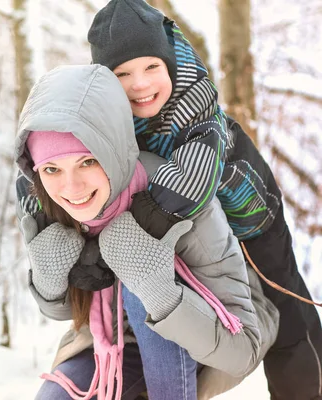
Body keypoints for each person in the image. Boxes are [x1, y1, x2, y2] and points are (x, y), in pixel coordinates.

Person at [83, 2, 322, 398]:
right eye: (122, 73)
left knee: (287, 316)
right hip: (195, 235)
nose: (140, 84)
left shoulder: (194, 109)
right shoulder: (109, 116)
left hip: (249, 218)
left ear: (169, 66)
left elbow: (190, 183)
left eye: (151, 68)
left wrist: (125, 234)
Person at [14, 64, 279, 400]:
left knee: (138, 278)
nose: (72, 187)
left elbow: (242, 352)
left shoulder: (178, 194)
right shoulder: (47, 202)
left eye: (87, 161)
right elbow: (67, 311)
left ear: (112, 150)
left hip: (206, 340)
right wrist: (49, 282)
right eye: (52, 168)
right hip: (112, 342)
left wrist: (160, 293)